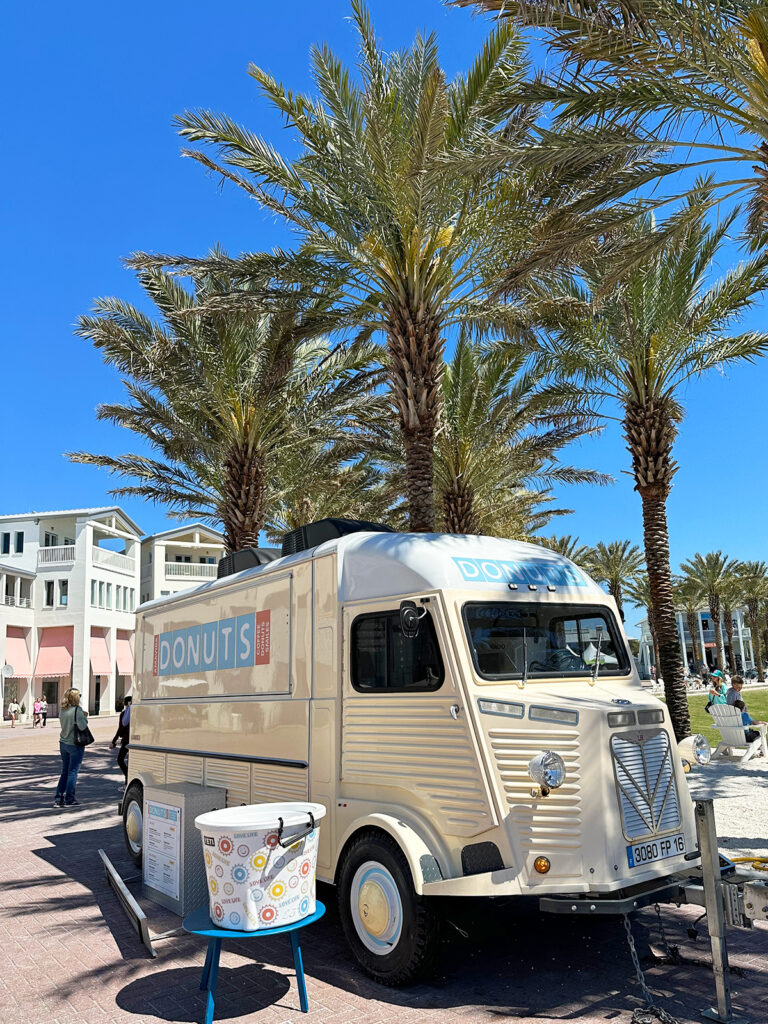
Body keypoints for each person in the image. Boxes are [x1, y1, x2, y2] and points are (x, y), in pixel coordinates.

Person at [54, 688, 89, 807]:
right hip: (75, 744)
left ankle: (58, 798)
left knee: (65, 771)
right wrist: (85, 717)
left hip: (63, 742)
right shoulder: (77, 710)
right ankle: (70, 798)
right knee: (73, 771)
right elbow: (82, 726)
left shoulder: (63, 710)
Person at [726, 675, 766, 744]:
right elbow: (754, 722)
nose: (739, 689)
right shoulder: (733, 694)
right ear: (733, 684)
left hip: (733, 734)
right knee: (758, 734)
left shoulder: (731, 692)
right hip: (744, 736)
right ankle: (761, 751)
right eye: (738, 687)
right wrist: (764, 722)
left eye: (740, 687)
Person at [111, 696, 132, 783]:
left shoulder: (125, 713)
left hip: (127, 740)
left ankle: (127, 778)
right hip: (132, 739)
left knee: (120, 759)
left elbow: (121, 727)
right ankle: (127, 779)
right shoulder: (127, 712)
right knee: (128, 761)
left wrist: (114, 741)